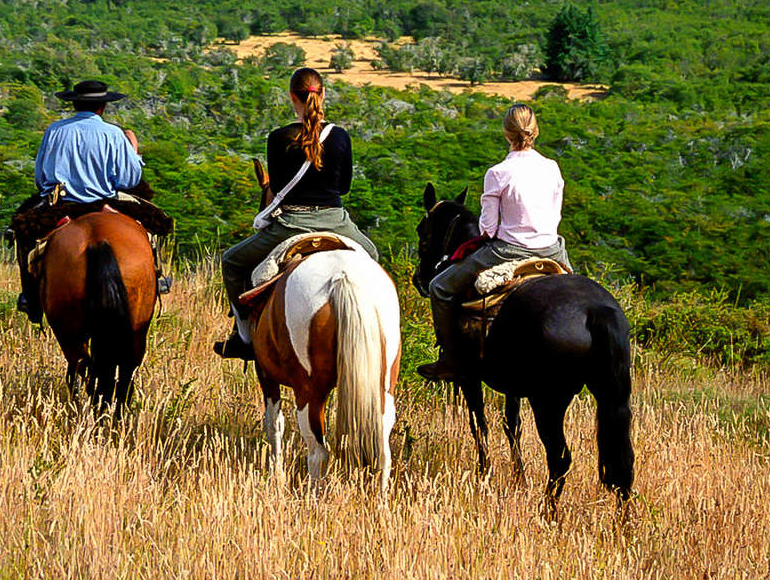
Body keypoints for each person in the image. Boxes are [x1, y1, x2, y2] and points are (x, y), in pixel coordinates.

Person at [215, 67, 379, 359]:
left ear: (292, 97)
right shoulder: (340, 137)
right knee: (373, 258)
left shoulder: (278, 138)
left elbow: (277, 187)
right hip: (336, 221)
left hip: (291, 224)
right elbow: (343, 187)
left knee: (231, 262)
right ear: (323, 93)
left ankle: (243, 336)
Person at [417, 103, 571, 382]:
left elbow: (487, 229)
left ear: (506, 133)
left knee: (438, 288)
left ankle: (449, 359)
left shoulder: (498, 173)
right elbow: (556, 215)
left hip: (507, 251)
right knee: (577, 289)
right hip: (552, 249)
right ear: (535, 131)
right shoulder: (552, 167)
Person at [9, 79, 172, 323]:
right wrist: (134, 153)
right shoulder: (114, 134)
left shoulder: (54, 131)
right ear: (102, 107)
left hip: (62, 203)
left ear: (74, 105)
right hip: (105, 201)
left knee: (23, 233)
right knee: (153, 225)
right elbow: (129, 179)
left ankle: (30, 296)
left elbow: (41, 176)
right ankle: (156, 278)